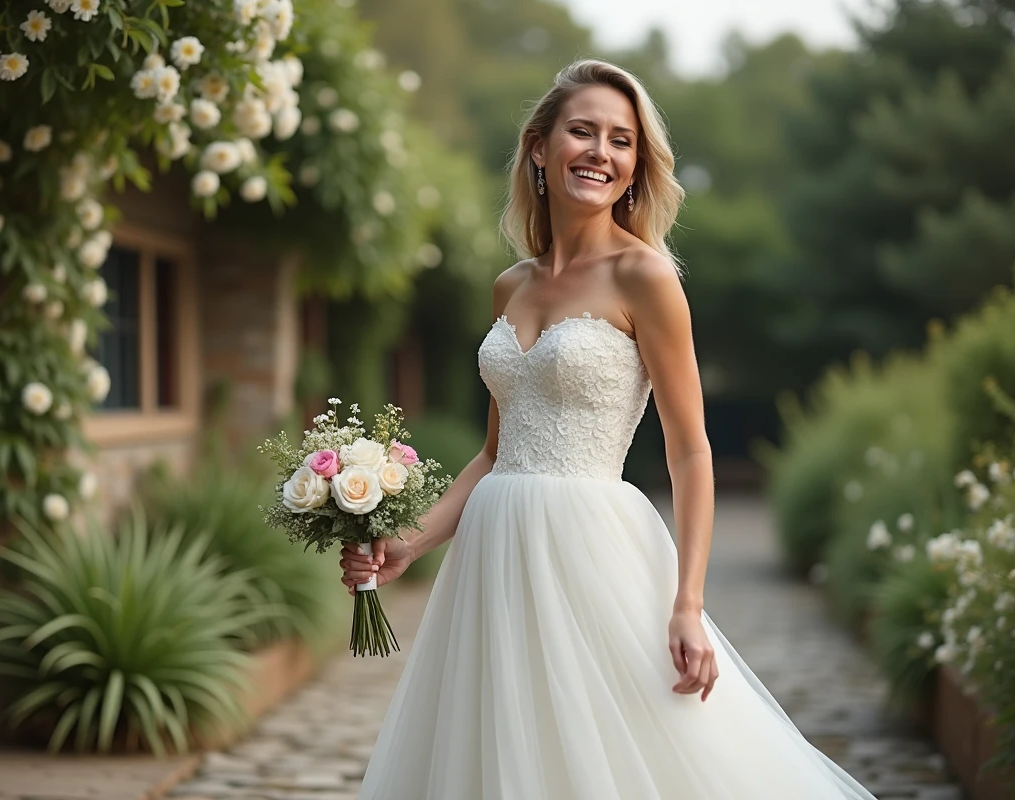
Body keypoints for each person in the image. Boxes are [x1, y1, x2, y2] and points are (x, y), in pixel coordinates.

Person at [341, 58, 877, 799]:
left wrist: (688, 604)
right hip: (493, 560)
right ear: (539, 147)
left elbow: (690, 451)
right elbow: (497, 452)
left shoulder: (646, 278)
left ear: (635, 168)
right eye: (583, 132)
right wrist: (409, 542)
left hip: (591, 550)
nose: (601, 152)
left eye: (621, 141)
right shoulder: (511, 285)